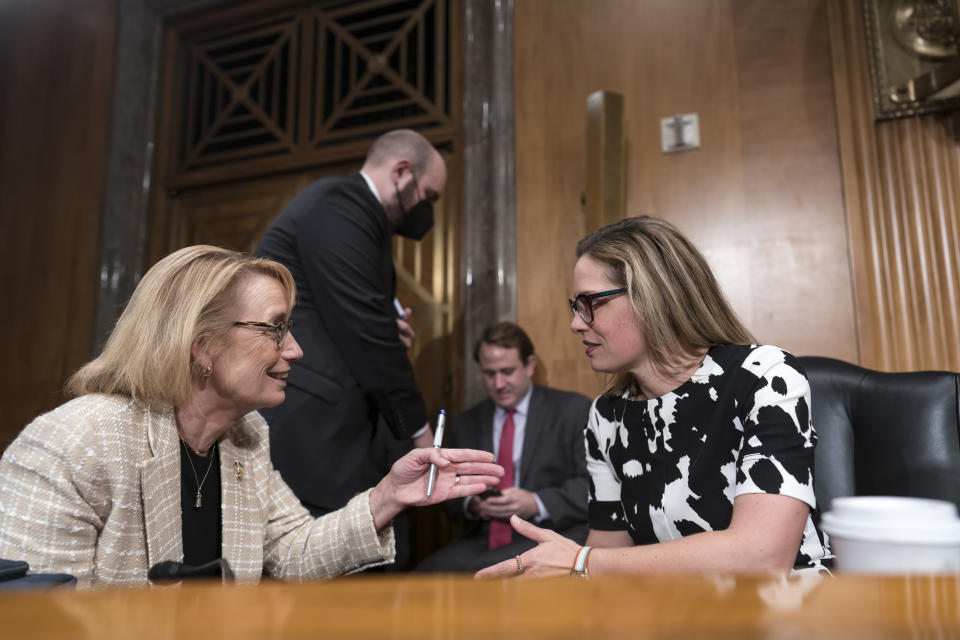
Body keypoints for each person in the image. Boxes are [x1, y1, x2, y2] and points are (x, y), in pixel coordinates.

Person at [0, 246, 501, 587]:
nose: (297, 350)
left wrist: (387, 497)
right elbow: (41, 621)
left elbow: (293, 552)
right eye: (276, 329)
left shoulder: (246, 436)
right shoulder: (74, 440)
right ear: (201, 346)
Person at [476, 216, 831, 579]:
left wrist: (581, 561)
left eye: (589, 303)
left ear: (651, 296)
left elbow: (764, 556)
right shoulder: (606, 416)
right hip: (670, 612)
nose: (576, 324)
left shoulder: (764, 375)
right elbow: (608, 555)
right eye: (575, 306)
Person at [254, 129, 446, 517]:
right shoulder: (339, 205)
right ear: (402, 172)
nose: (428, 212)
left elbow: (349, 312)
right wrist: (419, 434)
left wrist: (387, 322)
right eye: (429, 197)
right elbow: (368, 331)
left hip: (335, 429)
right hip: (310, 431)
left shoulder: (359, 214)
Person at [417, 322, 591, 572]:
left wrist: (535, 502)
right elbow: (448, 497)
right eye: (489, 374)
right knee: (426, 574)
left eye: (507, 371)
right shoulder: (467, 423)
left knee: (482, 574)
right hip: (482, 539)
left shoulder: (571, 410)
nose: (498, 384)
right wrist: (473, 504)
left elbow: (592, 486)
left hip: (548, 536)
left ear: (529, 366)